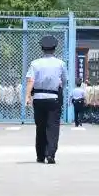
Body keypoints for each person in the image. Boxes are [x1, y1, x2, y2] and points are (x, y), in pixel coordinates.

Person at [24, 34, 66, 164]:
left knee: (40, 127)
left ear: (42, 48)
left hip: (39, 98)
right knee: (53, 127)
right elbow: (63, 81)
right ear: (55, 49)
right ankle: (51, 154)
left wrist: (27, 96)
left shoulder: (35, 63)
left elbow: (31, 80)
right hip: (53, 98)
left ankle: (40, 155)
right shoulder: (60, 63)